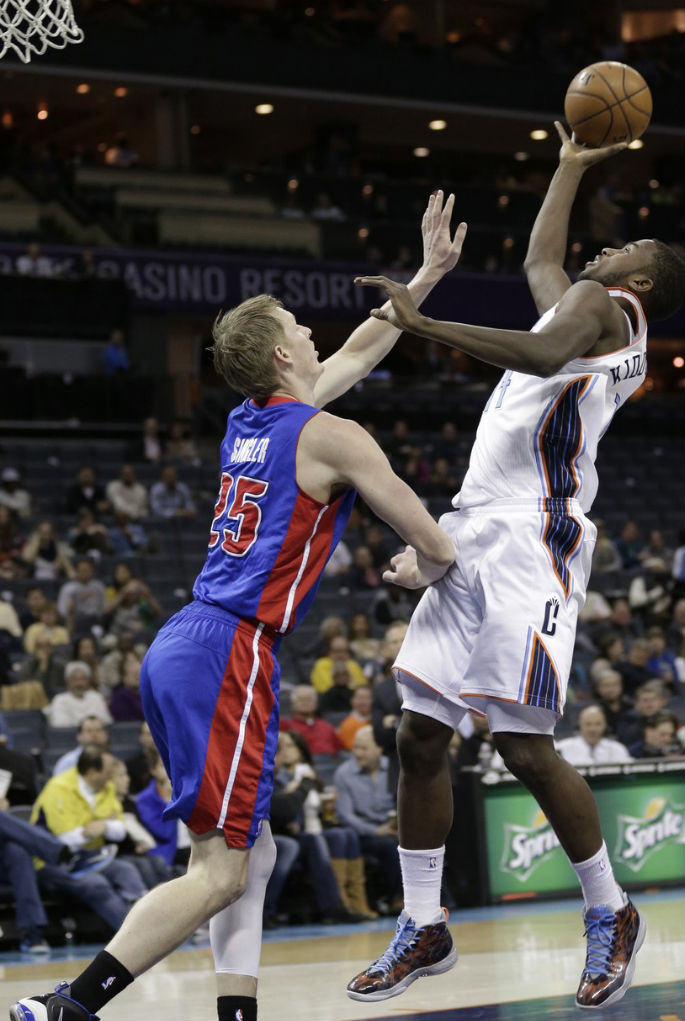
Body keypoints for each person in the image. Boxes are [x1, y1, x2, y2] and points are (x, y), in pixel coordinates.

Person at [12, 189, 465, 1021]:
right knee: (218, 871)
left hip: (186, 638)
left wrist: (424, 277)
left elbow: (358, 355)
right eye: (298, 324)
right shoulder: (334, 439)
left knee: (246, 857)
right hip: (232, 649)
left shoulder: (251, 419)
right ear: (280, 352)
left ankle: (235, 1013)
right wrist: (417, 571)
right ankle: (69, 1007)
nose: (312, 330)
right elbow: (436, 545)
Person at [347, 124, 685, 1009]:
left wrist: (421, 322)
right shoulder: (580, 305)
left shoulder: (611, 312)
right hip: (478, 528)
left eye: (625, 248)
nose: (606, 248)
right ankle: (423, 923)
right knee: (418, 733)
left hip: (536, 537)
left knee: (522, 743)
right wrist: (567, 168)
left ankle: (610, 911)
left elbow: (536, 350)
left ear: (637, 283)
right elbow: (544, 263)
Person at [556, 705, 632, 766]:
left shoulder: (618, 749)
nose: (593, 729)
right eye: (588, 724)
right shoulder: (562, 748)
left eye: (598, 724)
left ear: (605, 726)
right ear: (580, 725)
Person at [43, 661, 112, 728]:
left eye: (83, 679)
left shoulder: (96, 697)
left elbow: (106, 722)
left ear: (88, 681)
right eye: (75, 679)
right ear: (68, 681)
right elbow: (61, 726)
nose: (79, 683)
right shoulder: (60, 700)